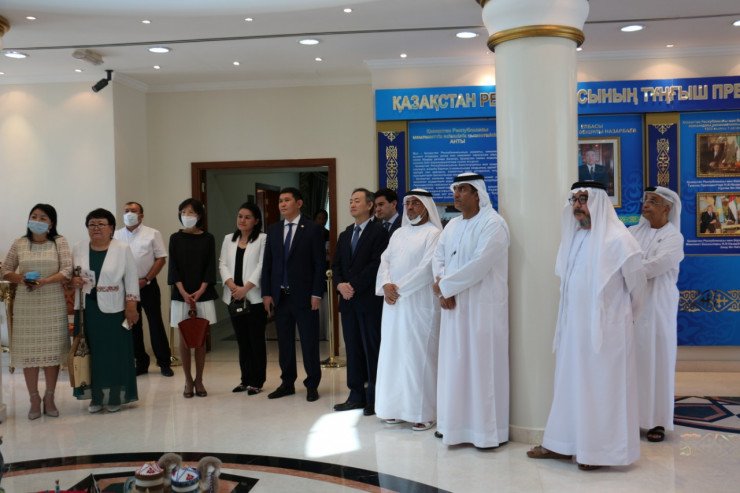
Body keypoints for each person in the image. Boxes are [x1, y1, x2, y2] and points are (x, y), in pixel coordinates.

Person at [528, 181, 645, 470]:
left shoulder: (620, 240)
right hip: (573, 331)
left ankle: (598, 452)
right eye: (575, 200)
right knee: (569, 385)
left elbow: (638, 289)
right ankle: (562, 444)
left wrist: (619, 320)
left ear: (599, 202)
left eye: (583, 199)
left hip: (607, 332)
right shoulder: (575, 237)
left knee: (602, 389)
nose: (578, 206)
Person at [431, 173, 510, 448]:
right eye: (455, 189)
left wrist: (445, 287)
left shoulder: (493, 224)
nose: (456, 194)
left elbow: (480, 264)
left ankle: (484, 432)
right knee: (453, 365)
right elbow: (438, 258)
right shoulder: (452, 225)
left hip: (482, 308)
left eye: (463, 189)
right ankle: (452, 426)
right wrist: (442, 284)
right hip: (453, 306)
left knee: (480, 366)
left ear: (478, 194)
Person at [375, 189, 442, 431]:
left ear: (426, 206)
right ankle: (394, 409)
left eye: (416, 203)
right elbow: (385, 261)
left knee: (418, 357)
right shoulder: (398, 234)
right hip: (394, 305)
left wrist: (398, 289)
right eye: (408, 203)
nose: (410, 207)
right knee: (394, 356)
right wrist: (386, 284)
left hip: (419, 304)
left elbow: (427, 268)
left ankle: (424, 412)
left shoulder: (434, 234)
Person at [1, 204, 73, 419]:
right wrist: (22, 278)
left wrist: (46, 281)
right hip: (26, 304)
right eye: (34, 216)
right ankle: (34, 398)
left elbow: (67, 270)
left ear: (51, 224)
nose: (37, 221)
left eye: (43, 218)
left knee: (52, 353)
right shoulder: (19, 243)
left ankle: (49, 397)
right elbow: (5, 270)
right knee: (29, 353)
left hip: (52, 302)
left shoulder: (59, 242)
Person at [70, 208, 140, 413]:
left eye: (101, 224)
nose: (96, 228)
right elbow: (70, 276)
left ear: (111, 228)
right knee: (91, 353)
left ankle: (115, 395)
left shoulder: (122, 248)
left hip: (114, 309)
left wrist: (132, 306)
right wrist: (73, 281)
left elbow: (131, 279)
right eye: (92, 224)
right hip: (86, 309)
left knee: (113, 353)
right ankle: (96, 397)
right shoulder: (78, 248)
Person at [629, 186, 684, 443]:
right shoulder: (632, 232)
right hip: (632, 305)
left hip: (659, 305)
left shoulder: (674, 237)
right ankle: (631, 418)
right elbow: (618, 259)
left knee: (658, 360)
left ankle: (658, 421)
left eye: (653, 201)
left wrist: (630, 268)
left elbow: (657, 265)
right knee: (633, 362)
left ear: (666, 209)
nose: (646, 204)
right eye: (646, 200)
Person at [261, 188, 325, 402]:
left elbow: (319, 264)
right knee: (285, 343)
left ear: (299, 203)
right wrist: (266, 293)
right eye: (280, 200)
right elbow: (268, 264)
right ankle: (287, 383)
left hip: (305, 297)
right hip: (281, 297)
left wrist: (317, 293)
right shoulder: (274, 229)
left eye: (287, 200)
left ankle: (312, 384)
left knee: (309, 342)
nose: (282, 204)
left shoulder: (313, 229)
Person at [333, 188, 389, 416]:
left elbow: (377, 265)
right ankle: (355, 395)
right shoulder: (345, 234)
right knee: (353, 349)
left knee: (371, 350)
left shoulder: (379, 232)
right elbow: (336, 265)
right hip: (348, 303)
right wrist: (340, 285)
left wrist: (352, 286)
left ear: (370, 205)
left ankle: (374, 398)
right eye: (350, 201)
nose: (352, 204)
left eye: (357, 201)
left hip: (368, 302)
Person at [113, 201, 173, 377]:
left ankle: (164, 363)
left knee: (155, 323)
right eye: (126, 210)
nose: (129, 213)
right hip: (126, 288)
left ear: (141, 215)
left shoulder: (152, 233)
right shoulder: (116, 235)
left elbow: (161, 259)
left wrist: (146, 279)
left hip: (147, 285)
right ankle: (141, 362)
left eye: (133, 210)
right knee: (133, 325)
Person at [168, 198, 218, 399]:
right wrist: (182, 290)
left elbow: (210, 266)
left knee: (200, 338)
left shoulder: (208, 238)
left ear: (199, 215)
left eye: (191, 212)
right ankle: (188, 380)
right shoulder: (175, 238)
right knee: (184, 339)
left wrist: (202, 289)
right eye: (183, 212)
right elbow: (173, 267)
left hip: (203, 293)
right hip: (181, 294)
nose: (186, 215)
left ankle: (199, 380)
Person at [219, 202, 268, 395]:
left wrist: (245, 288)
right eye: (240, 216)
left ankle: (257, 381)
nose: (242, 220)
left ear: (256, 220)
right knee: (242, 341)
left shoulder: (262, 239)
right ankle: (245, 379)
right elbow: (222, 264)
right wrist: (232, 286)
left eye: (247, 217)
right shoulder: (228, 239)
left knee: (256, 340)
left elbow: (262, 265)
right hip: (234, 297)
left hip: (254, 298)